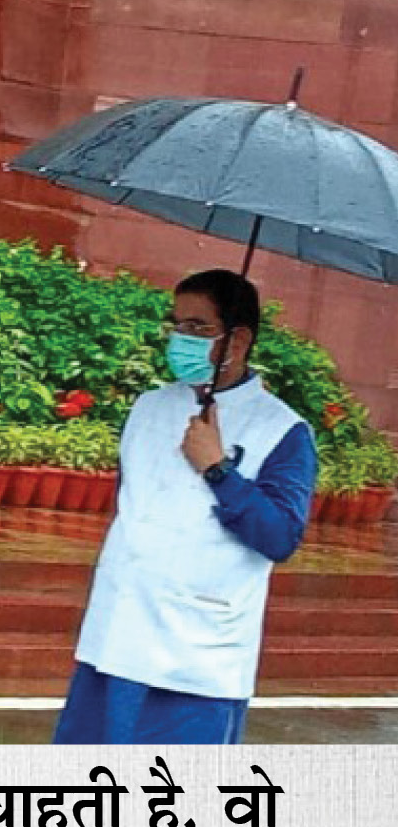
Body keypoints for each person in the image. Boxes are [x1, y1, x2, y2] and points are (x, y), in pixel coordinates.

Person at [54, 269, 317, 745]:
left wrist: (218, 469)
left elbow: (280, 536)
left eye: (197, 327)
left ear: (238, 340)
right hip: (114, 637)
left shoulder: (283, 431)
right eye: (177, 324)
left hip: (195, 657)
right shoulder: (149, 407)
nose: (181, 339)